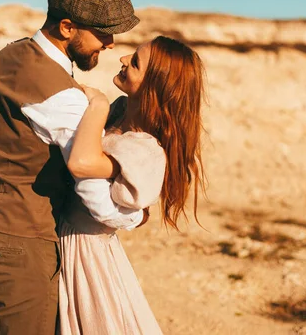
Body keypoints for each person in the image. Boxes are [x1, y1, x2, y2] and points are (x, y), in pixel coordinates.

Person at [0, 0, 144, 335]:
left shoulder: (13, 54)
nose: (112, 43)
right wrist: (135, 215)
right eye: (102, 32)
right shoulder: (62, 97)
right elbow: (91, 189)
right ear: (67, 27)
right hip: (14, 245)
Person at [57, 36, 206, 334]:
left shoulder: (143, 149)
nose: (124, 58)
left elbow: (82, 163)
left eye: (135, 62)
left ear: (154, 87)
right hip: (68, 232)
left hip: (85, 250)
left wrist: (96, 105)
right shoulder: (120, 112)